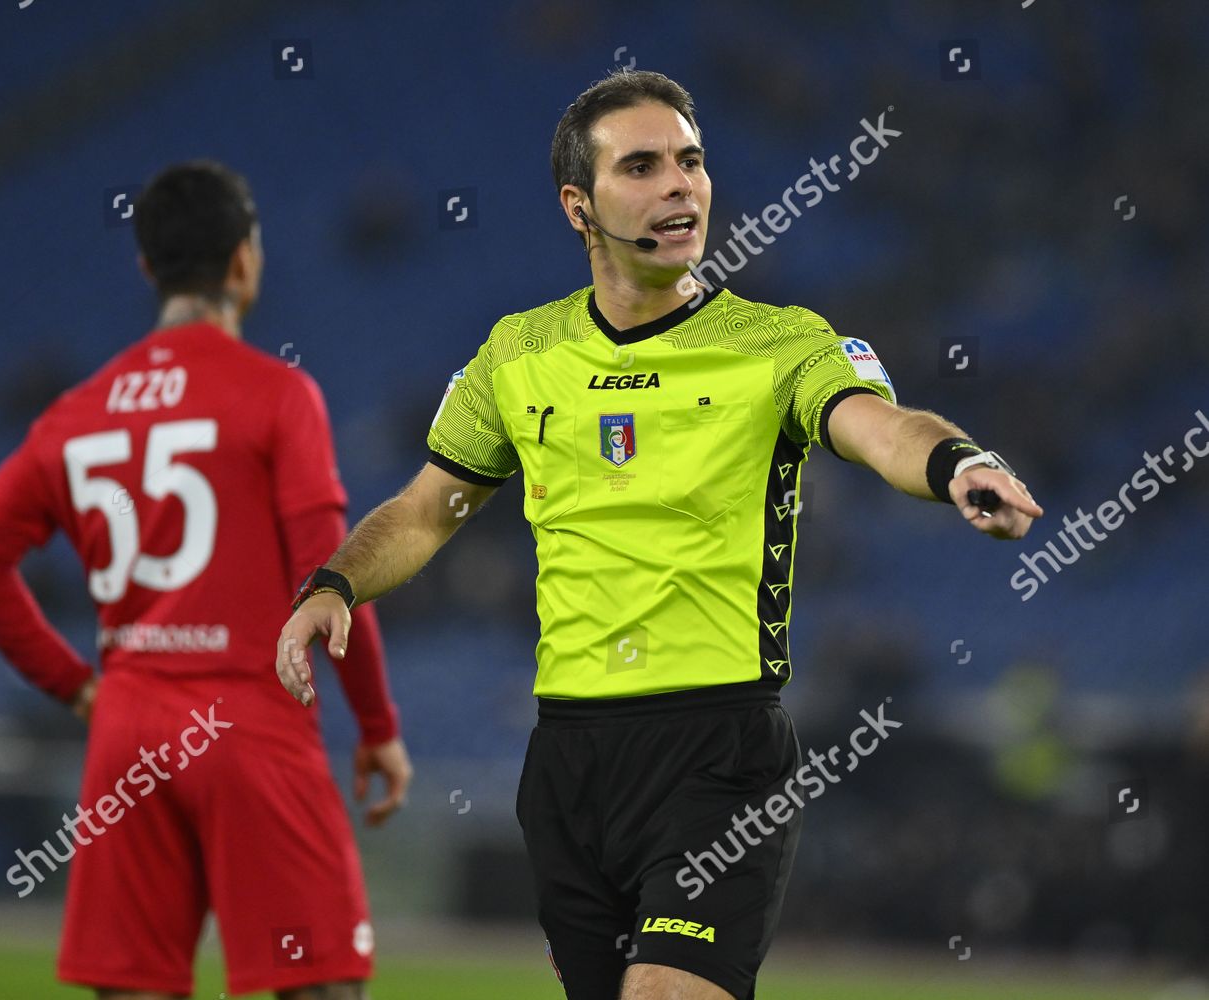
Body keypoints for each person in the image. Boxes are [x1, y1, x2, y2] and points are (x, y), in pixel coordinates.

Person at [274, 70, 1042, 1000]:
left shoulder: (777, 343)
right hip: (567, 767)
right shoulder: (519, 353)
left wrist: (957, 461)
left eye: (691, 161)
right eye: (641, 166)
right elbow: (430, 507)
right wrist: (335, 585)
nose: (679, 185)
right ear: (579, 206)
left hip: (720, 755)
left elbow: (877, 426)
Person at [0, 160, 410, 1000]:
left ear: (148, 270)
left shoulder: (74, 412)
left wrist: (80, 688)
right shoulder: (278, 395)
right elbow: (331, 577)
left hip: (128, 727)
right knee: (321, 983)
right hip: (252, 720)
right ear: (243, 262)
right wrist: (377, 723)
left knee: (134, 989)